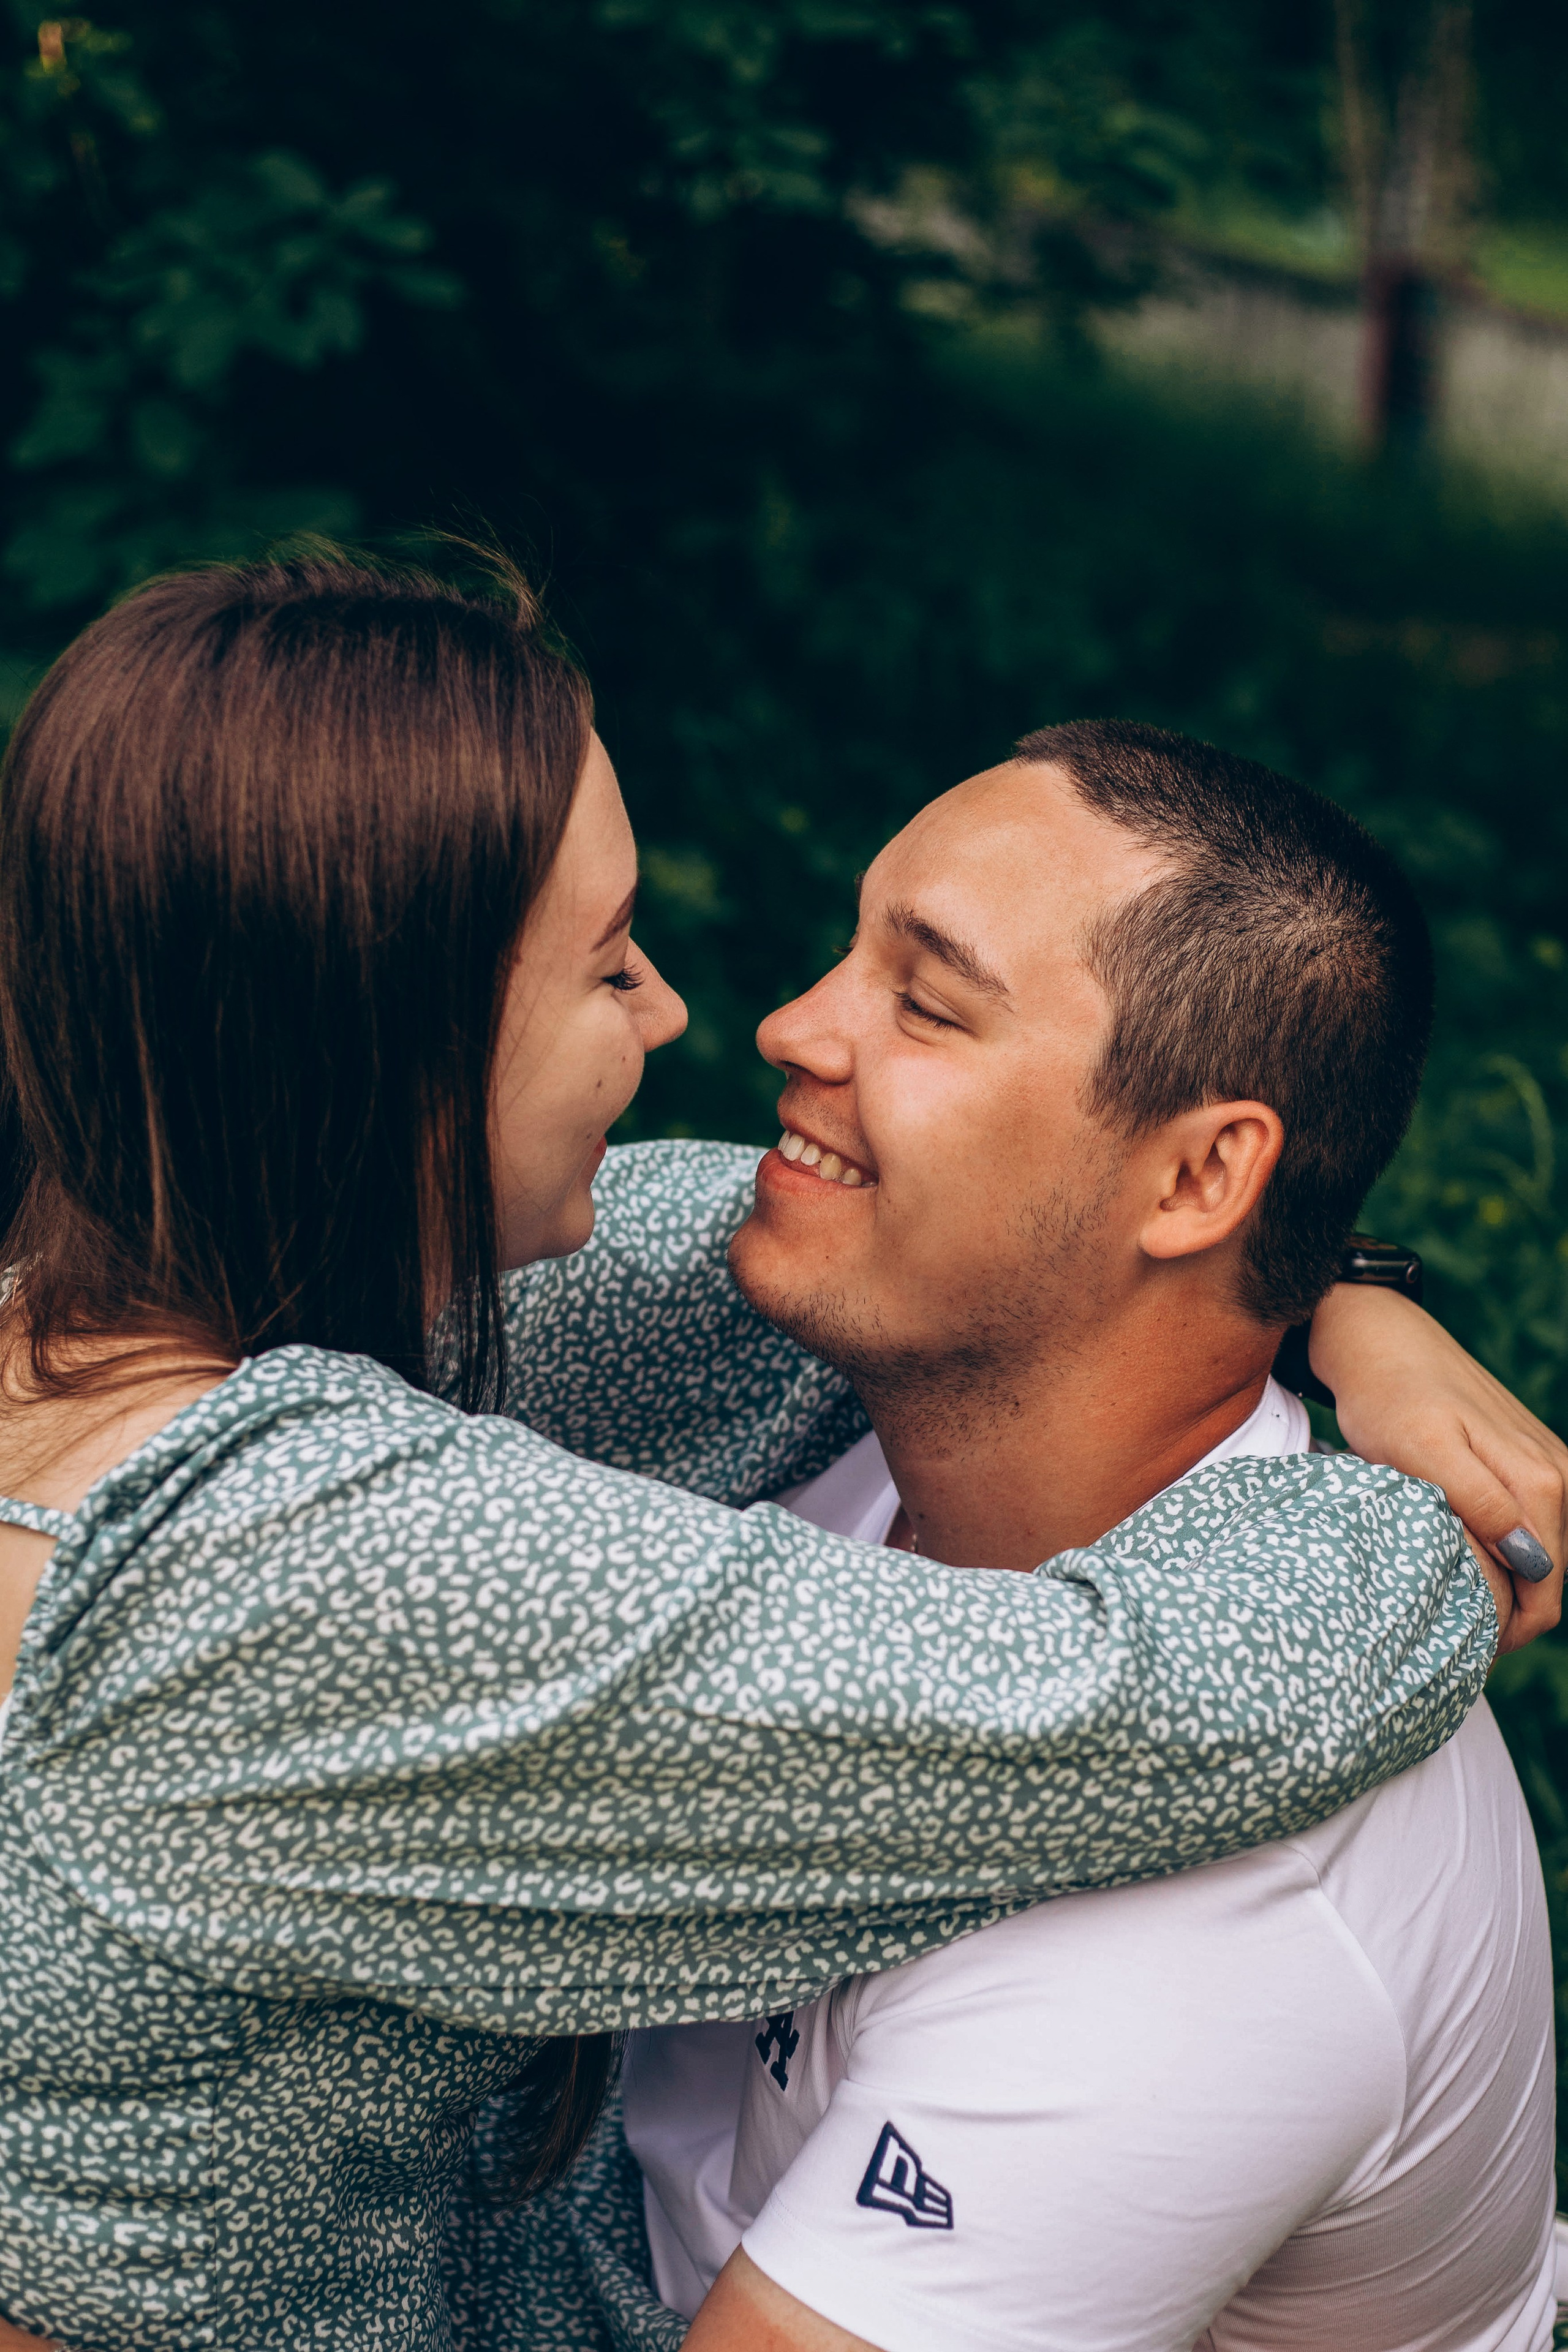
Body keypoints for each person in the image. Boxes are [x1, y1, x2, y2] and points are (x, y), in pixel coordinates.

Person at [0, 562, 1553, 2352]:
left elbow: (1002, 1260)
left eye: (928, 1000)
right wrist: (1432, 1537)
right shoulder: (304, 1557)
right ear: (389, 1042)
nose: (719, 1023)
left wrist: (1340, 1295)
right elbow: (1114, 1700)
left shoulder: (166, 1300)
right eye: (604, 964)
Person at [609, 723, 1556, 2352]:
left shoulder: (1210, 1950)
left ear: (1198, 1177)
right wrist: (1354, 1287)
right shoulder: (853, 1367)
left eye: (924, 1000)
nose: (787, 1026)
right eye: (851, 952)